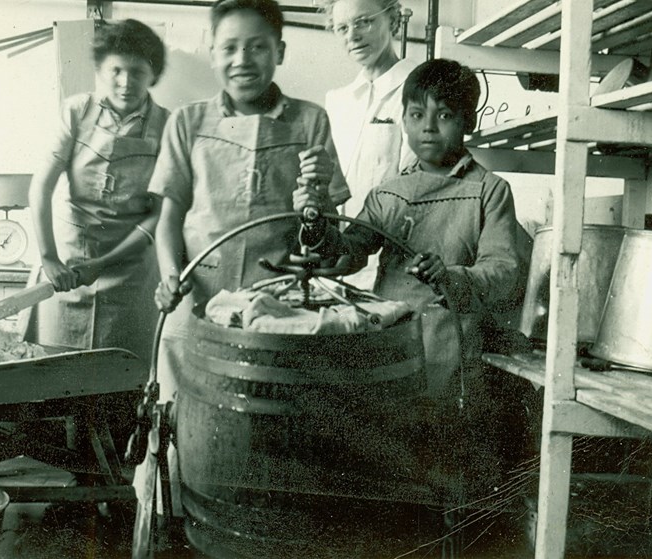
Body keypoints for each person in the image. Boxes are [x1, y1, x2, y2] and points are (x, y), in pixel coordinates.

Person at [294, 58, 528, 503]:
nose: (428, 128)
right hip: (389, 354)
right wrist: (314, 220)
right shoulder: (387, 194)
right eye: (416, 115)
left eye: (444, 116)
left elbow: (503, 270)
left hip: (453, 357)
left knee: (443, 483)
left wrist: (452, 275)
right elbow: (344, 256)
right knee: (384, 479)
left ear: (469, 122)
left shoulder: (489, 191)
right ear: (402, 119)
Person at [151, 0, 348, 402]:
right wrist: (171, 275)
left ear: (280, 51)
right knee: (178, 427)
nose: (242, 60)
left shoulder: (310, 121)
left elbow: (329, 242)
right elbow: (168, 219)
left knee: (266, 430)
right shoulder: (187, 123)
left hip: (278, 312)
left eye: (258, 47)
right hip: (195, 302)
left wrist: (318, 198)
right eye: (229, 48)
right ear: (213, 54)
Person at [30, 19, 169, 366]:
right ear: (99, 70)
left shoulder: (168, 125)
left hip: (130, 268)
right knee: (51, 378)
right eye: (115, 70)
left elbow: (159, 212)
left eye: (137, 72)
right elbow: (41, 185)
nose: (125, 83)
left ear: (153, 74)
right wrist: (48, 256)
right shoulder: (76, 111)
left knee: (119, 376)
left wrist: (105, 263)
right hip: (68, 261)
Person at [323, 0, 419, 289]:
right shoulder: (337, 101)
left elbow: (413, 185)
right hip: (338, 262)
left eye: (363, 22)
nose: (351, 35)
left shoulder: (418, 90)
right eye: (342, 27)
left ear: (393, 20)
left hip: (393, 261)